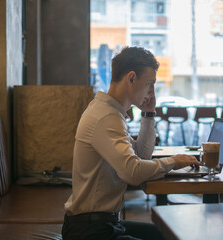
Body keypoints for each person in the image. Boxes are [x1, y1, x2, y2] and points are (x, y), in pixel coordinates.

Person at [62, 46, 200, 240]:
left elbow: (141, 158)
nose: (152, 92)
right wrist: (173, 162)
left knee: (169, 234)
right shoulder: (106, 116)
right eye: (149, 84)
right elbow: (133, 173)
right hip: (90, 231)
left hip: (104, 223)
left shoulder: (112, 112)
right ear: (132, 78)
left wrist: (149, 113)